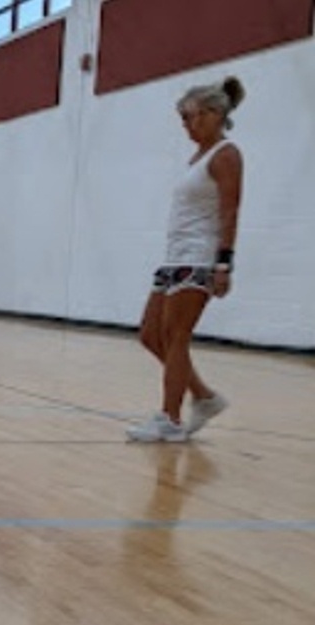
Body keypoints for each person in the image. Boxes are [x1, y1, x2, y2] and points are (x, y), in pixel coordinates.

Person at [127, 77, 245, 443]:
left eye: (189, 117)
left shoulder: (227, 155)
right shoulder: (198, 157)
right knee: (150, 335)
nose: (185, 126)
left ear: (213, 115)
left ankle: (171, 419)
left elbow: (230, 211)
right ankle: (205, 398)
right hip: (174, 258)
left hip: (200, 258)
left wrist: (223, 264)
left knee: (176, 337)